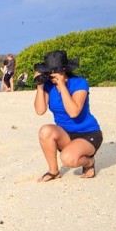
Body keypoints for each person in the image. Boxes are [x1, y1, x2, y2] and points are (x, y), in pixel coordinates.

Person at [34, 50, 103, 182]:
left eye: (55, 71)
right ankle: (53, 171)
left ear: (64, 69)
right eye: (49, 72)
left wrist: (62, 85)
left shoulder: (79, 83)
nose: (52, 75)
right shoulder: (48, 86)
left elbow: (74, 112)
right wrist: (40, 87)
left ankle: (89, 162)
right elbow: (40, 110)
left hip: (88, 133)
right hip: (65, 134)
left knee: (68, 159)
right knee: (45, 131)